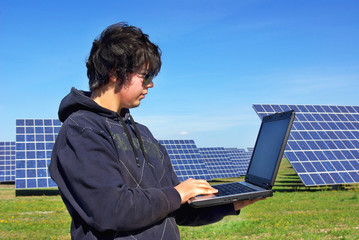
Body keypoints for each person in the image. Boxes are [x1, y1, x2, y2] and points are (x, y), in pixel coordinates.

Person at [49, 22, 261, 240]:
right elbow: (111, 209)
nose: (150, 85)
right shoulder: (82, 130)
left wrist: (231, 204)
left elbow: (174, 208)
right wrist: (178, 193)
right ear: (115, 73)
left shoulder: (143, 134)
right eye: (146, 76)